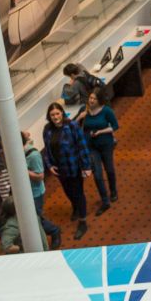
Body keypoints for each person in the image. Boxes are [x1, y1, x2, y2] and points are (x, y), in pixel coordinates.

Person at [41, 101, 97, 237]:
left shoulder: (72, 126)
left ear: (62, 113)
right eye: (52, 114)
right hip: (59, 169)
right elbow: (47, 150)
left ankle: (82, 221)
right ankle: (76, 207)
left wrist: (86, 166)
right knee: (68, 191)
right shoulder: (47, 129)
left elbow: (81, 146)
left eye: (57, 113)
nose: (55, 117)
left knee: (78, 192)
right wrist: (49, 166)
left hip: (74, 166)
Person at [79, 87, 121, 208]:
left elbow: (115, 126)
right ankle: (104, 198)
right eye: (90, 98)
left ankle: (113, 191)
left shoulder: (106, 111)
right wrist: (80, 117)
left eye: (94, 98)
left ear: (99, 100)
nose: (91, 100)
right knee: (97, 174)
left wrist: (100, 131)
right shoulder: (84, 110)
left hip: (105, 144)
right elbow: (77, 127)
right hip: (91, 146)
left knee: (109, 169)